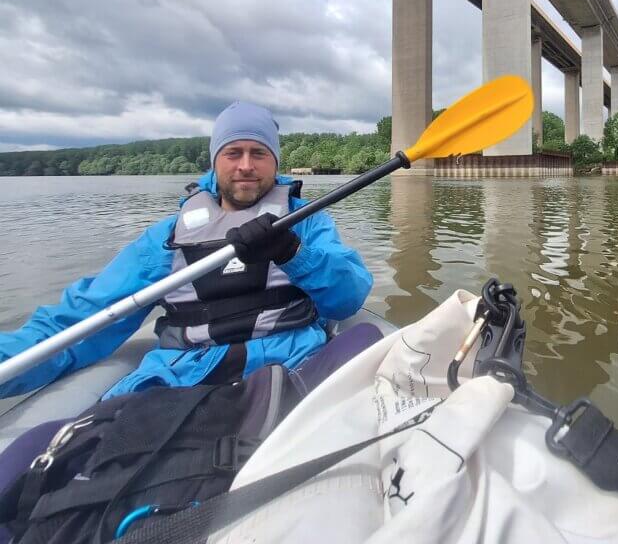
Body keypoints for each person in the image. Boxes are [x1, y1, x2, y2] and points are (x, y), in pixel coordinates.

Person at [0, 102, 373, 399]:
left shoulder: (305, 222)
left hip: (291, 362)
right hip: (187, 373)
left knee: (368, 340)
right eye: (233, 152)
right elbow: (79, 320)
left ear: (275, 162)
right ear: (215, 161)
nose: (246, 166)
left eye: (258, 153)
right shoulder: (166, 240)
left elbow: (348, 298)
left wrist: (293, 253)